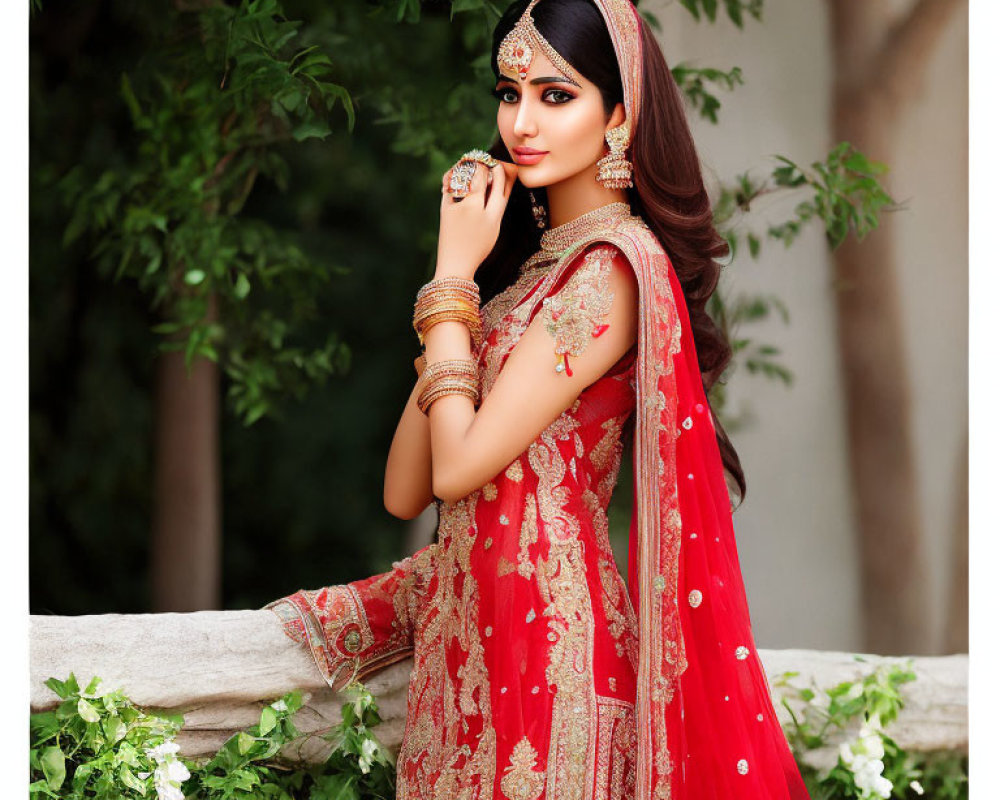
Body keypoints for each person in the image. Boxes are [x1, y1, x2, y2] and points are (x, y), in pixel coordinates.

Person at [264, 1, 812, 798]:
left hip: (555, 660)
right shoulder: (519, 286)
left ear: (617, 115)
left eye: (556, 96)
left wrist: (450, 282)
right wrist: (460, 291)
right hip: (467, 653)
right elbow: (404, 489)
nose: (522, 121)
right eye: (509, 92)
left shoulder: (612, 271)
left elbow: (456, 471)